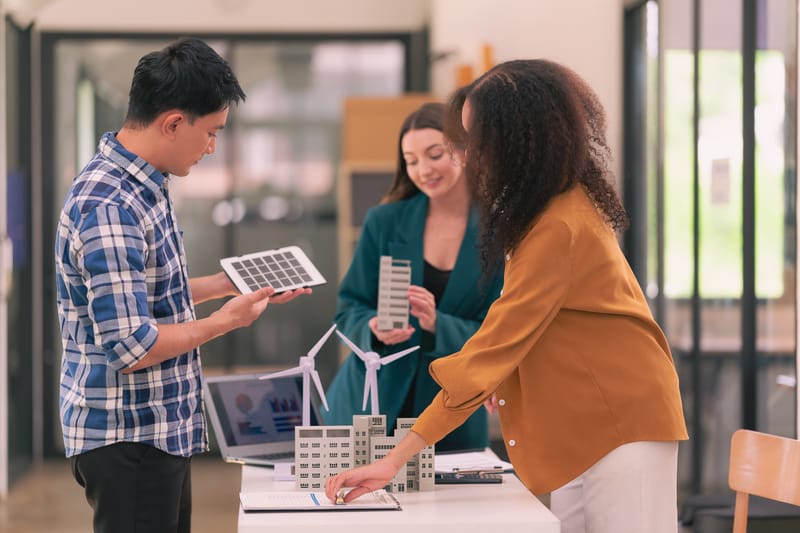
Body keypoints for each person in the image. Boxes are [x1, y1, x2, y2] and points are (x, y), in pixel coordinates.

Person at [325, 59, 688, 533]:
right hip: (582, 420)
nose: (464, 153)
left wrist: (393, 460)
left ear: (519, 137)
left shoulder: (556, 223)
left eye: (473, 139)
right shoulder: (545, 208)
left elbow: (495, 342)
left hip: (621, 417)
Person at [54, 37, 310, 533]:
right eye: (211, 132)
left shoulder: (144, 185)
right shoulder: (112, 205)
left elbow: (143, 293)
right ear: (173, 122)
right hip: (129, 438)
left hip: (156, 431)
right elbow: (132, 345)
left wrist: (225, 283)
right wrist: (222, 324)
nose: (212, 147)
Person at [325, 102, 503, 452]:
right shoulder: (384, 221)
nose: (423, 170)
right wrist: (373, 327)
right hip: (370, 402)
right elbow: (349, 310)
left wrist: (439, 323)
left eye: (434, 154)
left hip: (449, 407)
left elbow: (503, 330)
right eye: (411, 160)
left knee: (454, 505)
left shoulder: (499, 232)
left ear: (464, 151)